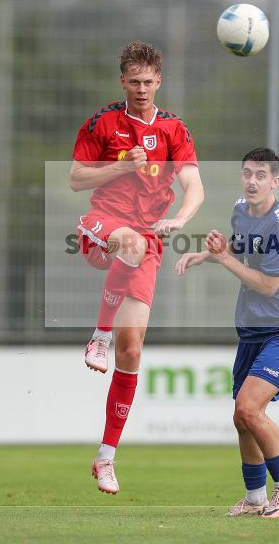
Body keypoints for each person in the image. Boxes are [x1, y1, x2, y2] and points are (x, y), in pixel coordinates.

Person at [70, 41, 204, 494]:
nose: (142, 89)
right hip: (101, 225)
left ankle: (106, 457)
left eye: (149, 81)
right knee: (128, 242)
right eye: (134, 82)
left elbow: (194, 188)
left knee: (132, 352)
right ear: (122, 82)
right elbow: (76, 178)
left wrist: (179, 220)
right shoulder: (103, 122)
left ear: (159, 81)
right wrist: (121, 165)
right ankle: (98, 335)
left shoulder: (174, 129)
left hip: (149, 240)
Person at [175, 147, 279, 519]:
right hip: (253, 330)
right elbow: (242, 244)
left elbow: (268, 285)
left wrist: (225, 261)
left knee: (249, 408)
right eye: (247, 173)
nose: (252, 181)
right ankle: (255, 498)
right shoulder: (241, 208)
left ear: (275, 181)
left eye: (261, 175)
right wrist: (206, 254)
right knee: (241, 415)